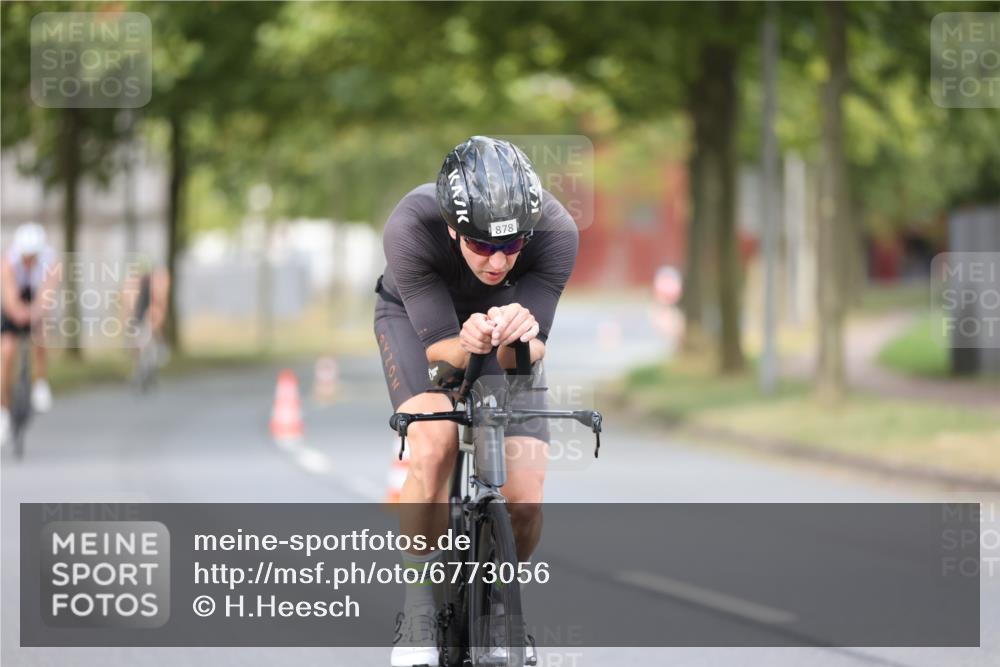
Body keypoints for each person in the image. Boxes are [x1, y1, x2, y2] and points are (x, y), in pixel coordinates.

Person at [375, 137, 578, 667]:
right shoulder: (410, 226)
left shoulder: (556, 232)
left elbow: (523, 359)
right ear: (452, 229)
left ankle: (501, 600)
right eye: (482, 245)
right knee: (435, 443)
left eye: (512, 245)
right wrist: (469, 341)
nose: (499, 260)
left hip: (508, 331)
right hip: (420, 327)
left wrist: (517, 335)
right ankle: (418, 607)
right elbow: (442, 354)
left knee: (525, 498)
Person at [1, 223, 59, 442]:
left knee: (40, 334)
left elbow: (47, 293)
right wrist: (18, 312)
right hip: (15, 302)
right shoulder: (8, 261)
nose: (28, 261)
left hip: (37, 299)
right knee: (7, 352)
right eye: (26, 257)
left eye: (32, 257)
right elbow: (9, 297)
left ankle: (39, 382)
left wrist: (36, 312)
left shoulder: (51, 261)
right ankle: (3, 410)